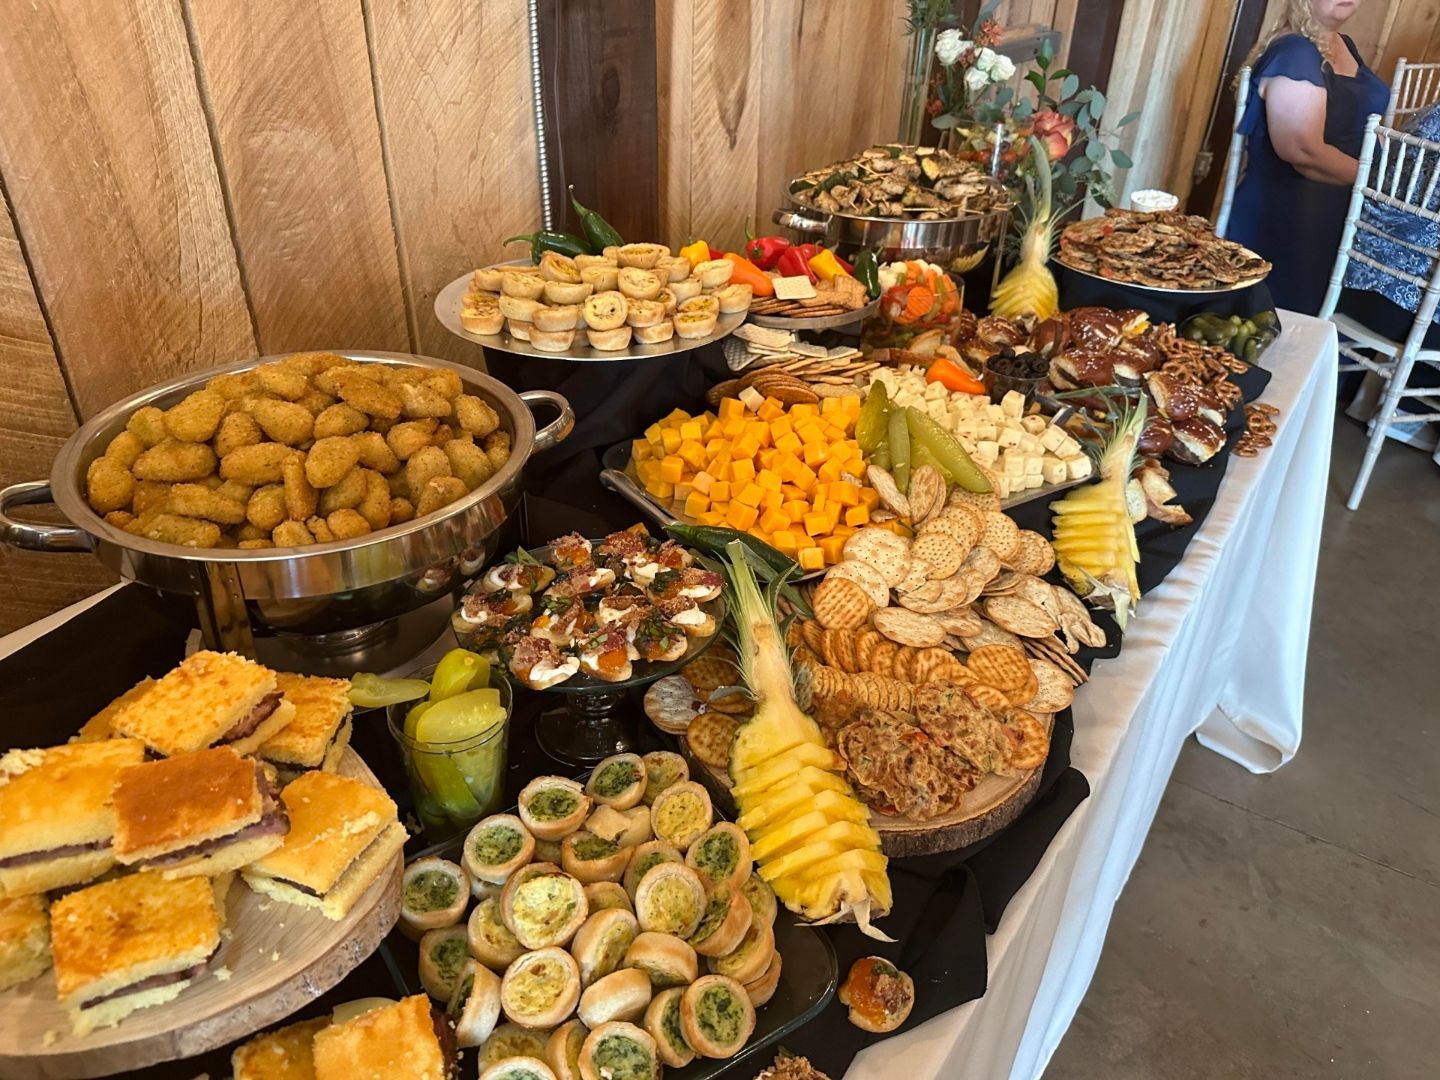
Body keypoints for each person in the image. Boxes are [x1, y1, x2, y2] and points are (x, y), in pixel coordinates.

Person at [1228, 0, 1388, 314]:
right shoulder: (1295, 53)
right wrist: (1375, 180)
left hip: (1339, 216)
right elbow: (1303, 151)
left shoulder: (1343, 44)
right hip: (1290, 219)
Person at [1334, 103, 1440, 446]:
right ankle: (1407, 417)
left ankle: (1390, 410)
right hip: (1408, 319)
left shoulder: (1431, 113)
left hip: (1354, 286)